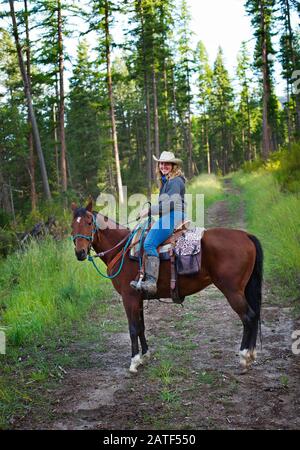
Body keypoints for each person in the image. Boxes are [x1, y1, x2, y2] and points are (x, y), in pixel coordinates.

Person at [130, 151, 186, 295]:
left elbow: (169, 205)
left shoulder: (175, 182)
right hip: (168, 215)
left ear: (173, 165)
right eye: (161, 163)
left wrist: (149, 211)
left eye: (167, 163)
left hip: (174, 215)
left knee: (148, 243)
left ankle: (151, 282)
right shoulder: (166, 181)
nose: (163, 166)